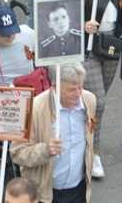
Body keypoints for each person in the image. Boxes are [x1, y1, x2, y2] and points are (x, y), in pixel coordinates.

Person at [11, 62, 95, 203]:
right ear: (55, 88)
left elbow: (90, 135)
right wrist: (45, 150)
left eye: (81, 87)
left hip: (79, 189)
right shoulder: (34, 109)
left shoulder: (89, 100)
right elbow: (17, 153)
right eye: (72, 90)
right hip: (46, 193)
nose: (78, 94)